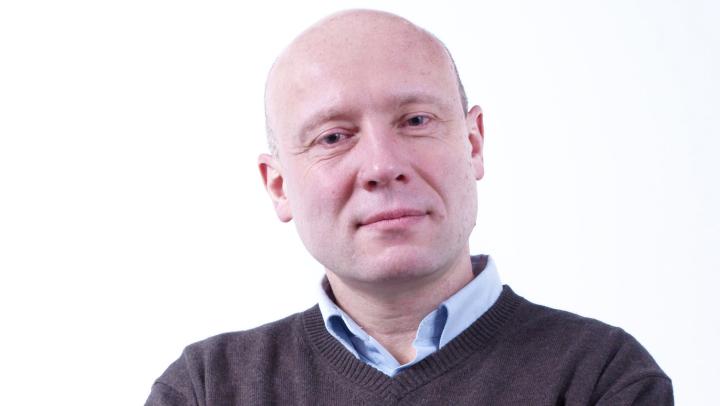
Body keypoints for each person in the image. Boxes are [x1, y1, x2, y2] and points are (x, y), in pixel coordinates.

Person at [146, 9, 672, 405]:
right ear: (279, 186)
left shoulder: (602, 378)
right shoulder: (206, 389)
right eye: (333, 137)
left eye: (416, 121)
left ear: (473, 144)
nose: (382, 165)